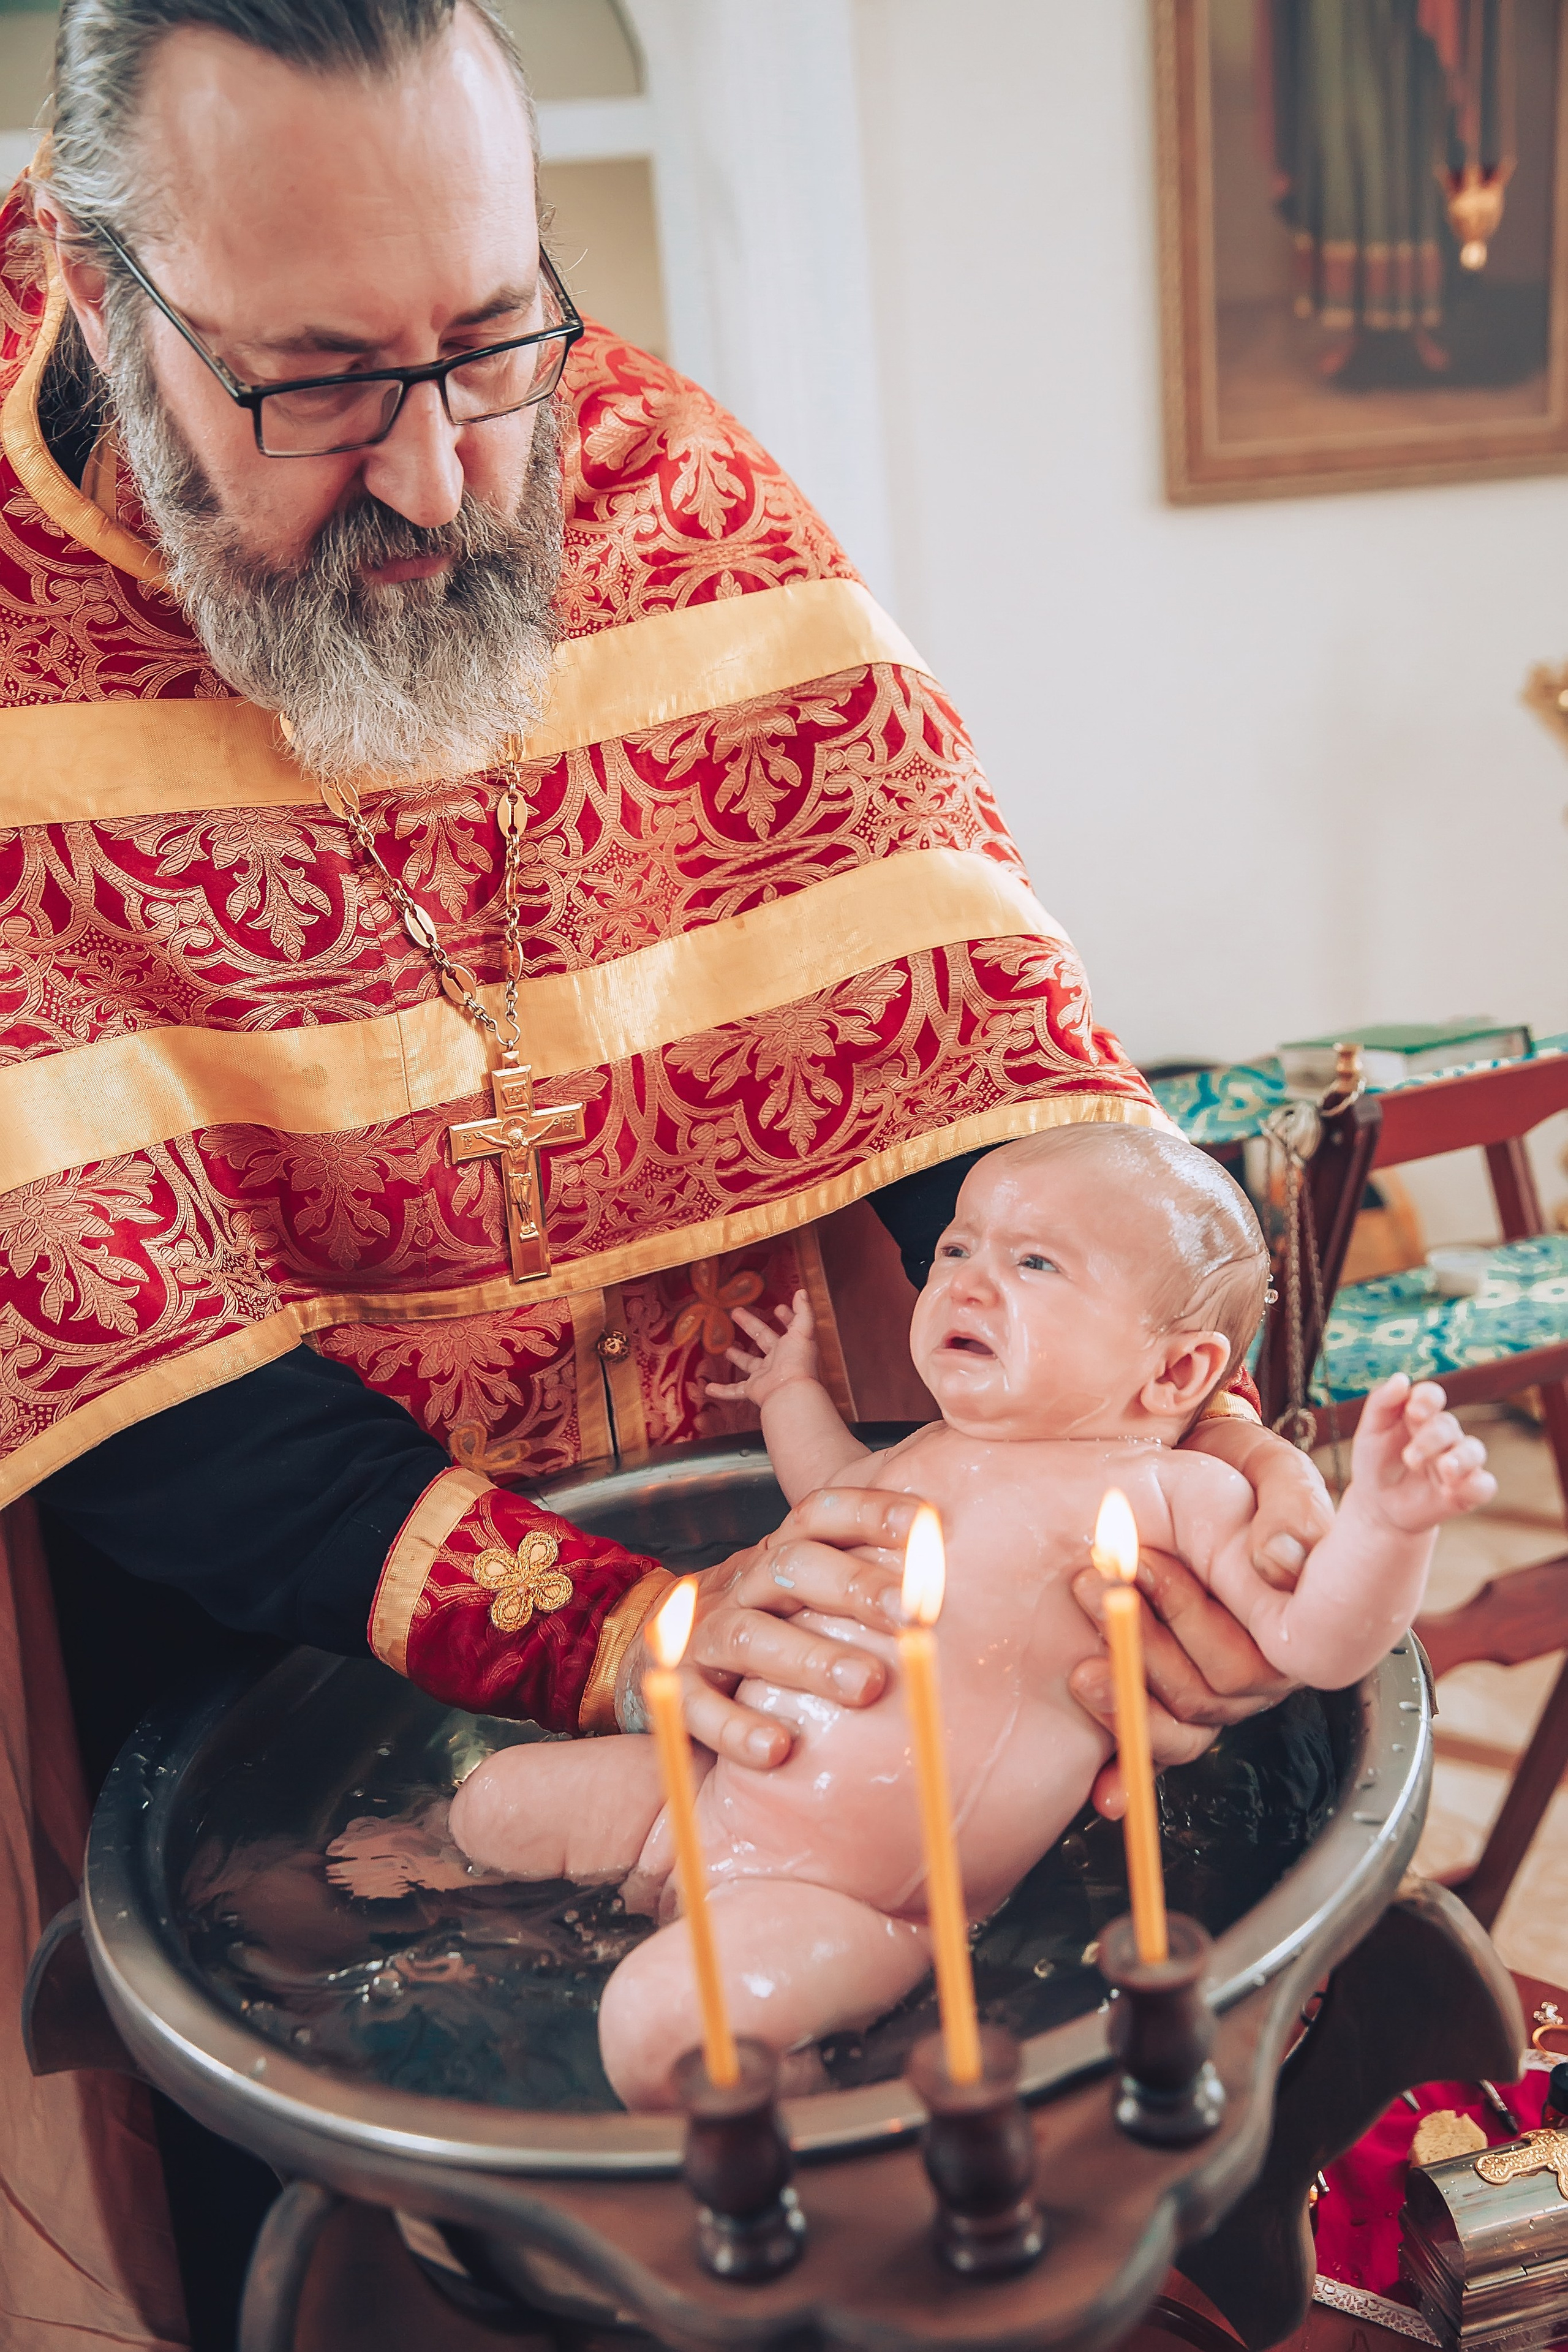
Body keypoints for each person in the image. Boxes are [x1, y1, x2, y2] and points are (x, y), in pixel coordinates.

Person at [0, 0, 1333, 2338]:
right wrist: (615, 1637)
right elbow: (117, 1345)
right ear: (101, 285)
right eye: (317, 381)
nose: (437, 475)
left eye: (491, 338)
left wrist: (1152, 1419)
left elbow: (955, 1021)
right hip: (271, 1632)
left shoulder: (645, 470)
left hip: (812, 1577)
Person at [450, 1128, 1494, 2109]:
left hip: (856, 1903)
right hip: (705, 1795)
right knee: (490, 1803)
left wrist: (1390, 1527)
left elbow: (1316, 1642)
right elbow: (830, 1495)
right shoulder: (926, 1449)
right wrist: (785, 1394)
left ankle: (822, 2121)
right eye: (956, 1245)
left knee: (664, 2024)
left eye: (1036, 1264)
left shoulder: (1166, 1497)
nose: (966, 1277)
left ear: (1175, 1372)